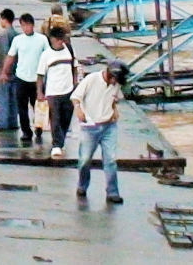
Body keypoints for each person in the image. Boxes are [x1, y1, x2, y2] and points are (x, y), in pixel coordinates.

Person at [72, 60, 129, 204]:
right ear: (111, 75)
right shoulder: (91, 79)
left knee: (110, 160)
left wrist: (115, 108)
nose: (115, 83)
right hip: (90, 126)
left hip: (109, 126)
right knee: (85, 160)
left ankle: (112, 192)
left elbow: (116, 99)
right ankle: (82, 185)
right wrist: (78, 109)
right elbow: (75, 97)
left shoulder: (117, 85)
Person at [0, 13, 49, 142]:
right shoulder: (18, 40)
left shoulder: (42, 39)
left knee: (37, 107)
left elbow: (48, 57)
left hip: (36, 79)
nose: (27, 28)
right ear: (21, 26)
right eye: (24, 25)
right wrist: (4, 71)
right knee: (22, 108)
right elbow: (10, 56)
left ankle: (38, 128)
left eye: (29, 25)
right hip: (21, 78)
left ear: (33, 25)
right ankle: (26, 132)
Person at [36, 26, 77, 158]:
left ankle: (61, 139)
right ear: (52, 40)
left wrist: (75, 84)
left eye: (62, 39)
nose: (61, 42)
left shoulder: (69, 50)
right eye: (58, 39)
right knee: (55, 118)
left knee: (66, 117)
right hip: (53, 92)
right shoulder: (46, 55)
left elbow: (75, 67)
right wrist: (39, 93)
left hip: (68, 90)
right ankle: (56, 145)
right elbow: (40, 75)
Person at [0, 8, 18, 131]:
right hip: (15, 72)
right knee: (13, 100)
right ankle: (13, 123)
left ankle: (2, 124)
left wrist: (4, 72)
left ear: (4, 19)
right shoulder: (16, 34)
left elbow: (5, 54)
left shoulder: (5, 35)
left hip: (5, 73)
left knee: (3, 99)